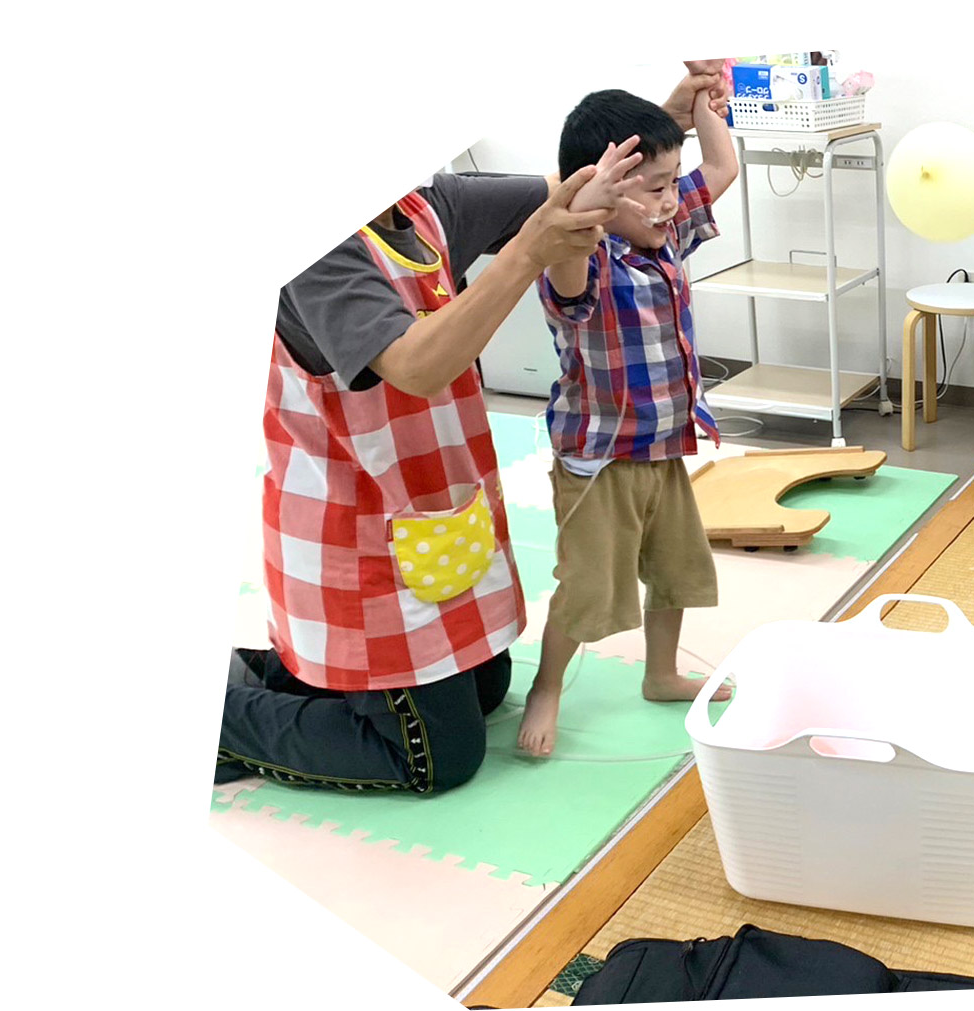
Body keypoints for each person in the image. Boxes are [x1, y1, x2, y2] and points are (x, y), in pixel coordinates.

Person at [217, 66, 729, 794]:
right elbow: (418, 365)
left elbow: (573, 185)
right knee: (436, 758)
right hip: (353, 533)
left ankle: (284, 680)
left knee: (487, 691)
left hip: (433, 513)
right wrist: (530, 251)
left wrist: (655, 135)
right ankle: (222, 710)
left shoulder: (431, 208)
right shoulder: (317, 249)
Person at [515, 79, 740, 758]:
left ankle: (660, 671)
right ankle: (548, 686)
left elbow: (723, 167)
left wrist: (706, 99)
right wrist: (593, 196)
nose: (671, 199)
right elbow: (574, 239)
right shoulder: (581, 261)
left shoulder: (664, 239)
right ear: (603, 192)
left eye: (673, 182)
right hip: (599, 463)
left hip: (664, 448)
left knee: (676, 568)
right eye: (651, 187)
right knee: (587, 585)